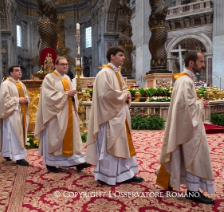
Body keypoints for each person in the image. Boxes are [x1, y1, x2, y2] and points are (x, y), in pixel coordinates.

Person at [156, 50, 215, 204]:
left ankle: (187, 187)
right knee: (193, 156)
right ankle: (193, 192)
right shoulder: (185, 81)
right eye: (201, 62)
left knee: (185, 156)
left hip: (187, 125)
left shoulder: (185, 79)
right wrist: (200, 104)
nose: (203, 65)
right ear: (191, 62)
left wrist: (197, 103)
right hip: (189, 127)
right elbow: (185, 107)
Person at [85, 46, 143, 186]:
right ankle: (107, 176)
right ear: (112, 56)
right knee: (111, 146)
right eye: (121, 55)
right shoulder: (105, 73)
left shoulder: (117, 73)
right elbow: (106, 95)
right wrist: (124, 95)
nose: (124, 58)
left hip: (120, 115)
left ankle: (126, 173)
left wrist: (126, 94)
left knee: (123, 144)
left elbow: (121, 91)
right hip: (109, 117)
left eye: (123, 55)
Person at [34, 56, 90, 173]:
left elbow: (71, 94)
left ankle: (78, 162)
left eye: (66, 64)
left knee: (72, 137)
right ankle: (51, 163)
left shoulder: (67, 78)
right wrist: (66, 94)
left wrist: (73, 95)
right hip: (55, 114)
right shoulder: (49, 78)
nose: (65, 66)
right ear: (56, 65)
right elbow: (48, 97)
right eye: (62, 64)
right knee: (55, 137)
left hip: (69, 112)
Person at [0, 66, 29, 166]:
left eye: (20, 70)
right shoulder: (6, 84)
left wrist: (26, 100)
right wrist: (18, 100)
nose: (20, 72)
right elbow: (3, 101)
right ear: (11, 73)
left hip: (20, 113)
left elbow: (25, 97)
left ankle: (7, 153)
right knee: (12, 135)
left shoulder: (21, 84)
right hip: (10, 115)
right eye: (17, 70)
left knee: (15, 135)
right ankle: (19, 157)